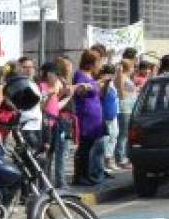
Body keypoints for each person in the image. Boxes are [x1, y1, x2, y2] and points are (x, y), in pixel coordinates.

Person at [71, 51, 106, 187]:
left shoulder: (91, 76)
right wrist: (96, 84)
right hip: (86, 116)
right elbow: (80, 91)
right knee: (84, 147)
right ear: (90, 63)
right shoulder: (80, 75)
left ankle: (87, 173)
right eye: (98, 62)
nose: (99, 65)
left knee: (90, 146)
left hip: (95, 116)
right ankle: (80, 176)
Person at [45, 57, 76, 187]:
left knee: (57, 151)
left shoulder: (63, 81)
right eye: (69, 66)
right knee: (60, 151)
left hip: (64, 120)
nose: (71, 68)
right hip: (61, 120)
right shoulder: (58, 82)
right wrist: (67, 94)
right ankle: (59, 181)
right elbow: (54, 102)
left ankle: (50, 180)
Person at [115, 59, 138, 170]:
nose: (134, 69)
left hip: (129, 108)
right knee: (123, 135)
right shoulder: (121, 77)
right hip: (124, 109)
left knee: (126, 135)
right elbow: (121, 93)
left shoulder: (126, 77)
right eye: (133, 67)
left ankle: (124, 156)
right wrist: (133, 91)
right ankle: (120, 158)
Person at [98, 64, 121, 174]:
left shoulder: (112, 84)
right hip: (106, 114)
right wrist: (106, 81)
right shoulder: (103, 83)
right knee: (106, 138)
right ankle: (105, 161)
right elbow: (103, 94)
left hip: (113, 113)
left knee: (114, 135)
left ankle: (109, 158)